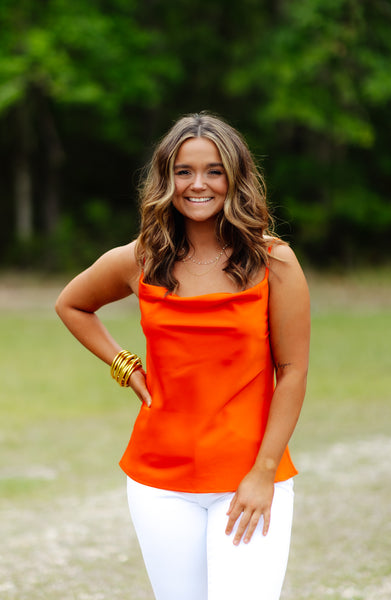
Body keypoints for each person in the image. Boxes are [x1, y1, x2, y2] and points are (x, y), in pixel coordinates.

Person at [55, 112, 310, 600]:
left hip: (250, 478)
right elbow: (72, 304)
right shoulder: (140, 259)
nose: (199, 184)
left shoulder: (273, 261)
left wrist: (263, 473)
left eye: (214, 170)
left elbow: (293, 371)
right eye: (184, 171)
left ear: (235, 178)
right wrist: (126, 368)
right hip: (159, 483)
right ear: (166, 178)